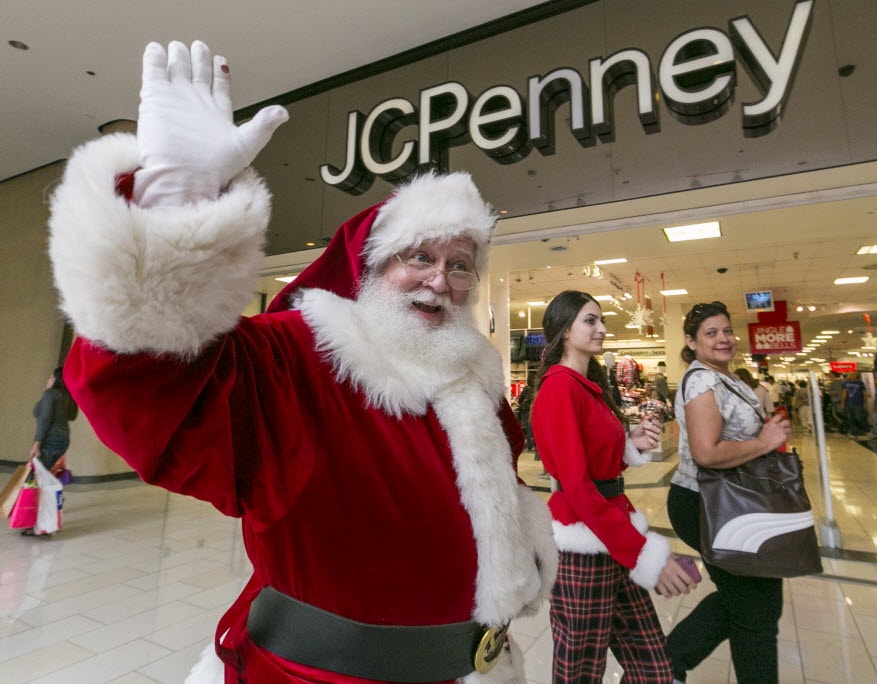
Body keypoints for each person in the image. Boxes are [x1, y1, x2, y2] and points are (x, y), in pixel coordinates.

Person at [47, 40, 556, 684]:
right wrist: (174, 208)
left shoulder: (472, 381)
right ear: (370, 268)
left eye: (460, 266)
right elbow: (145, 379)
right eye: (419, 257)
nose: (441, 280)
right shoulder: (299, 357)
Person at [529, 290, 695, 684]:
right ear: (565, 330)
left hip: (611, 535)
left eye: (601, 320)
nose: (602, 328)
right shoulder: (560, 388)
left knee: (654, 666)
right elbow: (576, 485)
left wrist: (628, 443)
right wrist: (643, 554)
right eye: (590, 320)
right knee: (580, 671)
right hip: (583, 546)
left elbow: (596, 461)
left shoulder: (587, 386)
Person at [665, 300, 790, 684]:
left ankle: (663, 665)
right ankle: (663, 664)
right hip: (708, 502)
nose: (723, 339)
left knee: (756, 602)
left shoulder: (728, 378)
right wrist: (765, 442)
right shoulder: (701, 379)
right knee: (756, 608)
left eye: (726, 331)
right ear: (691, 341)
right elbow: (706, 453)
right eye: (711, 333)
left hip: (733, 502)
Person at [30, 366, 78, 471]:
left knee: (37, 475)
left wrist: (37, 442)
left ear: (57, 379)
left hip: (49, 439)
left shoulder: (50, 394)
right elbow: (72, 416)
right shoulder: (68, 397)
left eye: (51, 377)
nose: (48, 380)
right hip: (63, 440)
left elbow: (45, 418)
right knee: (48, 474)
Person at [841, 372, 867, 439]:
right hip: (849, 403)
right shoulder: (846, 383)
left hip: (858, 403)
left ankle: (859, 431)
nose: (851, 375)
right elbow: (844, 392)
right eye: (850, 374)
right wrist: (843, 402)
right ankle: (853, 432)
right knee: (850, 418)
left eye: (853, 374)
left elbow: (864, 393)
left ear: (856, 375)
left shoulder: (860, 383)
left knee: (857, 417)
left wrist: (865, 403)